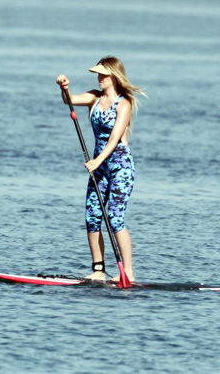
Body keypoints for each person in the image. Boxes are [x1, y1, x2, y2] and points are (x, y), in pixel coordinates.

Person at [56, 56, 146, 282]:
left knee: (115, 219)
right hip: (99, 167)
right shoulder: (94, 98)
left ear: (114, 77)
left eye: (103, 75)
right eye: (98, 74)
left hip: (120, 167)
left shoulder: (124, 103)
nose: (99, 78)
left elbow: (115, 137)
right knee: (92, 216)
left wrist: (98, 160)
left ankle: (129, 273)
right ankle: (98, 270)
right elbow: (69, 100)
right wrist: (64, 87)